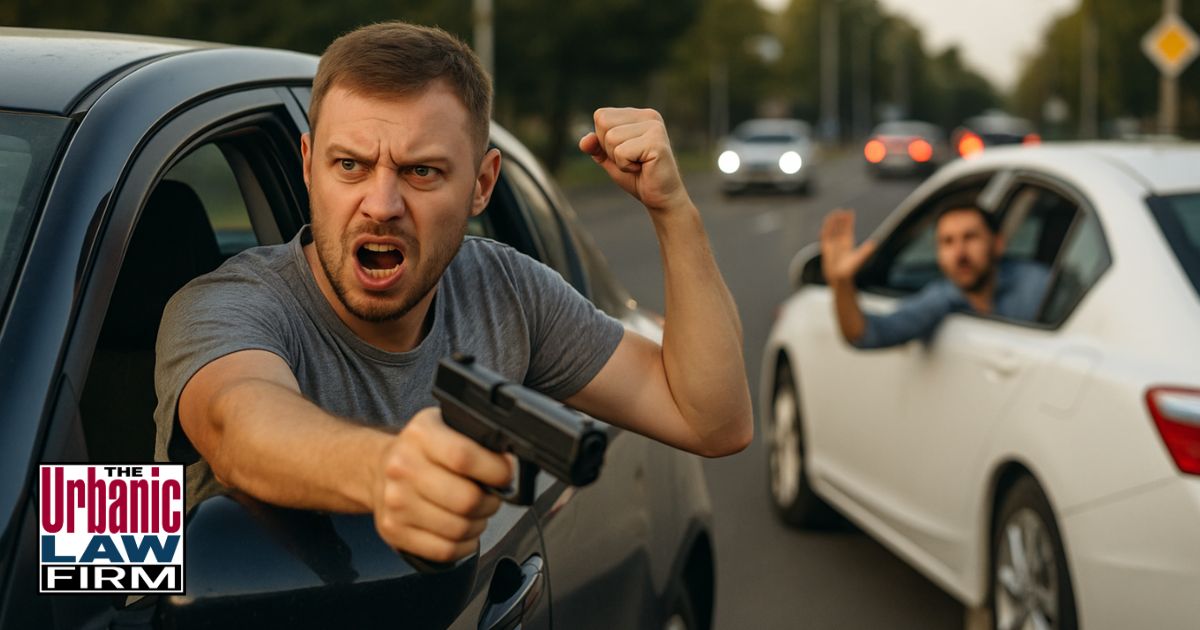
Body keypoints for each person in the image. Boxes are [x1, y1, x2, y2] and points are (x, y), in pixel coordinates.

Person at [152, 21, 752, 564]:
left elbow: (713, 423)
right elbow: (238, 424)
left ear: (482, 185)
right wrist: (390, 470)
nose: (382, 206)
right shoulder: (225, 303)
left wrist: (673, 211)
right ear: (308, 166)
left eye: (421, 172)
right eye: (350, 166)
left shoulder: (507, 293)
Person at [820, 202, 1049, 349]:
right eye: (947, 242)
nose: (960, 254)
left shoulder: (1038, 283)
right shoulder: (942, 298)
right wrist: (842, 282)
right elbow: (865, 334)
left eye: (970, 238)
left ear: (998, 244)